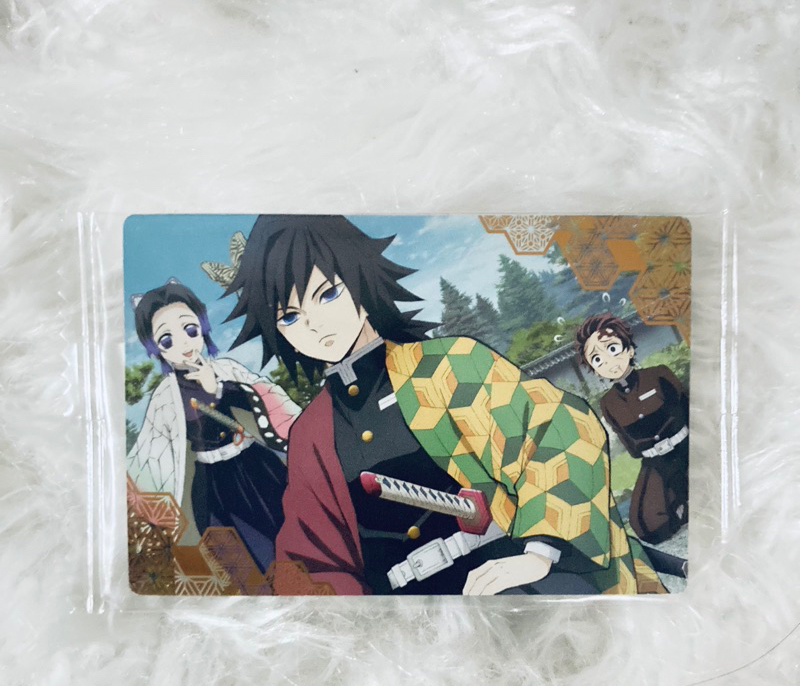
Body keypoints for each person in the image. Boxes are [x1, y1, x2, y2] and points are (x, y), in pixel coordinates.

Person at [225, 215, 665, 595]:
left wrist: (539, 552)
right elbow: (311, 556)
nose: (314, 325)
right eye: (290, 317)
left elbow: (558, 429)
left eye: (327, 295)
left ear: (358, 278)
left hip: (510, 578)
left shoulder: (447, 365)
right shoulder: (311, 433)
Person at [127, 279, 300, 572]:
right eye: (167, 340)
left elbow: (268, 399)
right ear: (154, 347)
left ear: (202, 326)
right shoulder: (164, 398)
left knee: (291, 535)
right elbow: (150, 457)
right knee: (244, 560)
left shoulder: (226, 369)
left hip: (257, 466)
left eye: (190, 330)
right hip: (212, 485)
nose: (183, 344)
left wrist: (220, 388)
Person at [576, 312, 689, 545]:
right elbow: (630, 445)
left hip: (686, 449)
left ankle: (684, 495)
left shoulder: (658, 374)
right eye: (597, 359)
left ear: (628, 349)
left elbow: (686, 409)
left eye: (612, 349)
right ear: (594, 369)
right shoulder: (608, 403)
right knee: (646, 525)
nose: (608, 362)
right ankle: (680, 503)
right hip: (655, 461)